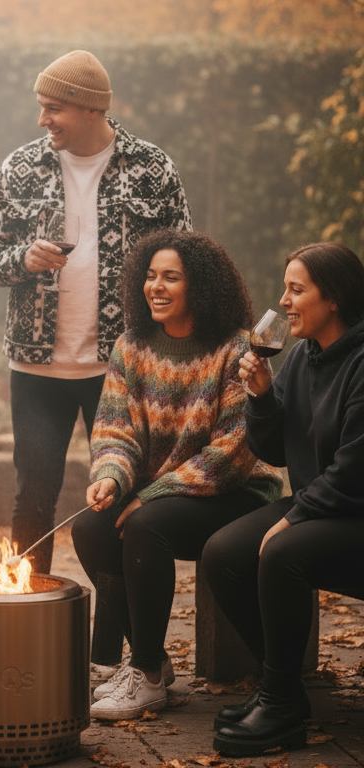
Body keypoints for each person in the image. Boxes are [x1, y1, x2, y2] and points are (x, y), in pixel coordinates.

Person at [0, 50, 192, 583]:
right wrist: (21, 259)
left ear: (90, 108)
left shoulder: (152, 168)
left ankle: (116, 649)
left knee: (119, 501)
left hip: (121, 369)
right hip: (35, 369)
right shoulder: (20, 167)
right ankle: (29, 617)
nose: (42, 119)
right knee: (32, 500)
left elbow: (185, 258)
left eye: (52, 108)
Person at [71, 229, 283, 721]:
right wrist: (111, 478)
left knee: (145, 523)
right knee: (89, 526)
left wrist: (155, 493)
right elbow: (113, 431)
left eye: (171, 278)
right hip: (159, 497)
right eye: (150, 277)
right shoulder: (130, 347)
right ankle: (156, 663)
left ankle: (143, 673)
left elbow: (235, 450)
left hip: (236, 493)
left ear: (200, 287)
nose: (156, 288)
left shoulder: (234, 349)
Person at [202, 242, 364, 757]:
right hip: (325, 505)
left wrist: (297, 515)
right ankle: (284, 689)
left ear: (333, 297)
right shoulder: (302, 358)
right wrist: (262, 396)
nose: (284, 301)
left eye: (296, 290)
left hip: (353, 509)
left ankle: (279, 705)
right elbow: (273, 450)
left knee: (281, 551)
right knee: (223, 554)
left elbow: (356, 469)